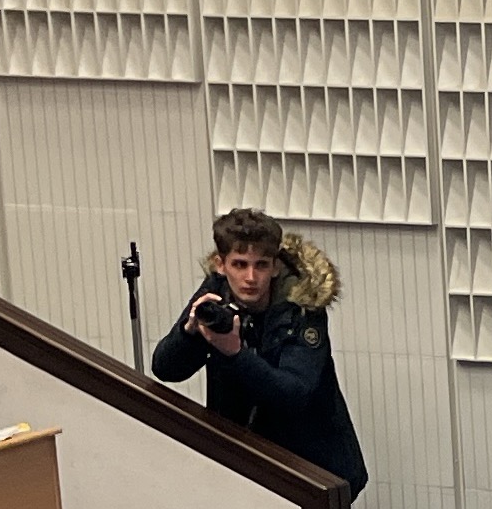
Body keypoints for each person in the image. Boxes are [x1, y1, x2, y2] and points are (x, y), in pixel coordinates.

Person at [153, 209, 367, 494]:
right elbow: (165, 369)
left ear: (275, 266)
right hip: (245, 461)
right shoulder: (216, 294)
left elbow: (293, 393)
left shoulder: (303, 307)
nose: (250, 277)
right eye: (239, 265)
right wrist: (189, 333)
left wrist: (235, 355)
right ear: (221, 265)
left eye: (261, 265)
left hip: (314, 468)